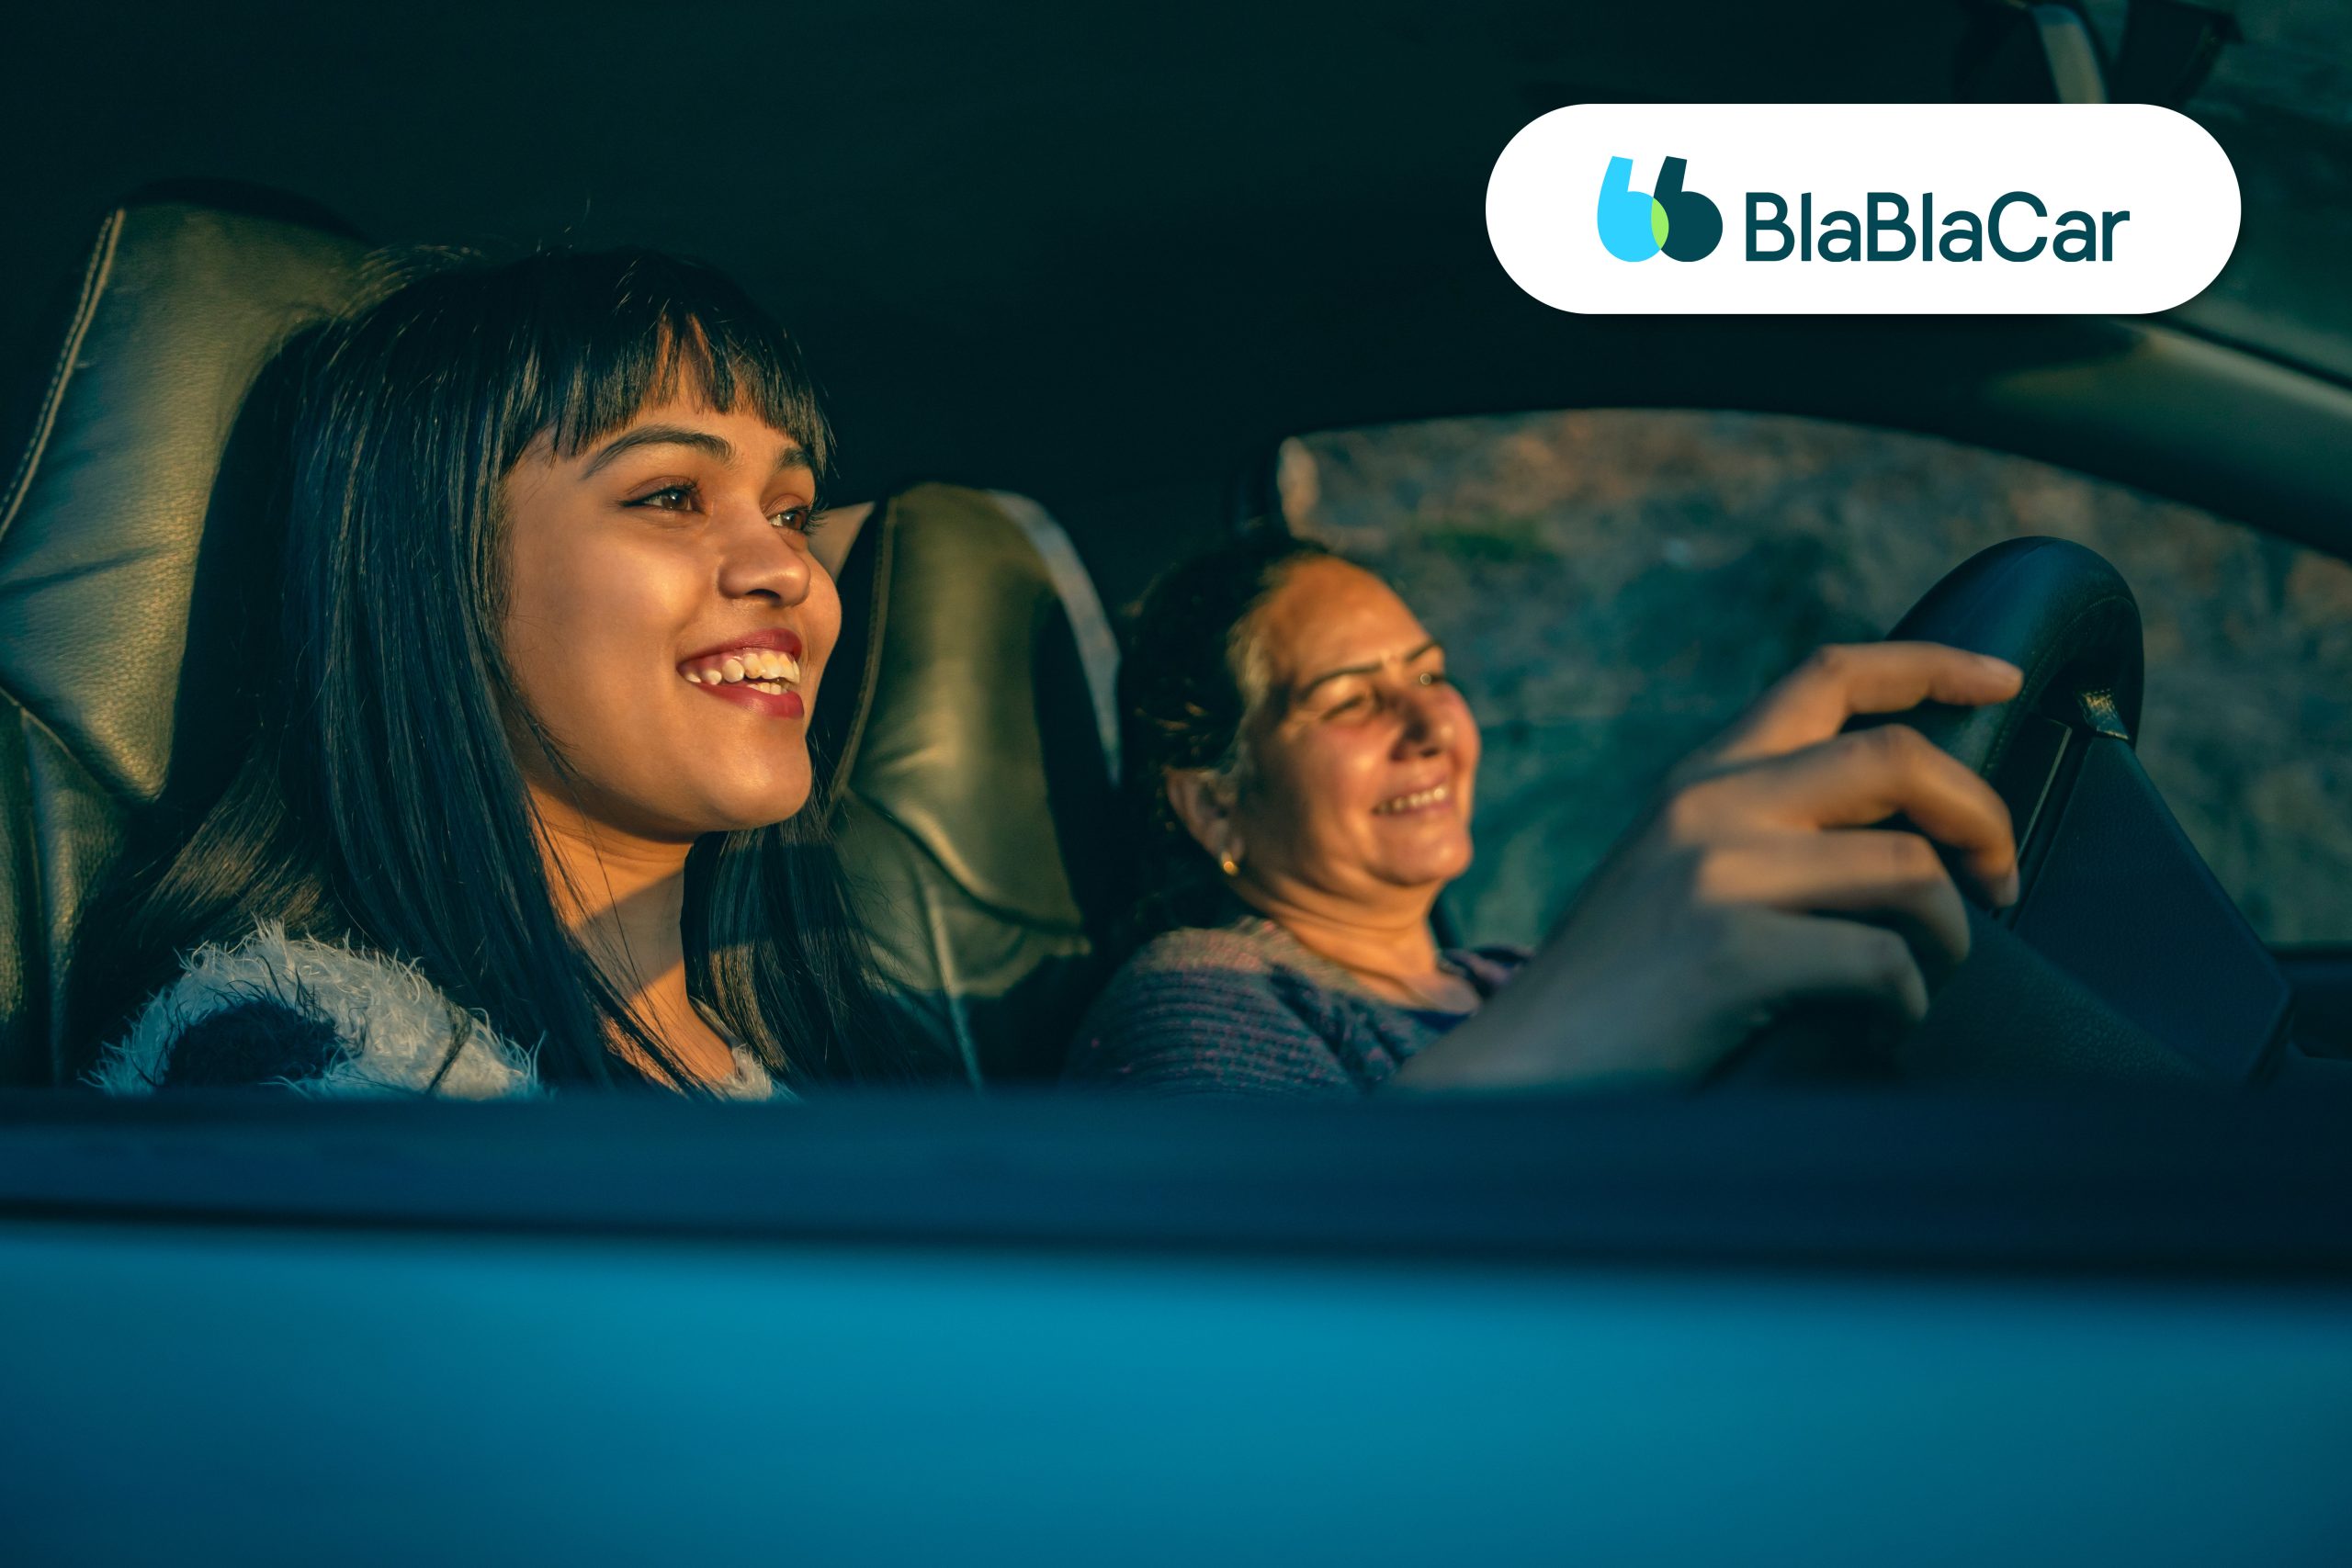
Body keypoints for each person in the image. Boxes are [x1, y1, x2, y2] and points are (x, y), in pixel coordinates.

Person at [74, 249, 907, 1097]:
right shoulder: (309, 1065)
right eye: (670, 496)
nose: (791, 569)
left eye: (791, 512)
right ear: (437, 577)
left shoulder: (841, 1077)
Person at [1064, 534, 2022, 1096]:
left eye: (1432, 676)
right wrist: (1573, 1025)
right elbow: (1257, 1336)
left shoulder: (1502, 976)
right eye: (1352, 699)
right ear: (1215, 803)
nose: (1430, 723)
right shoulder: (1204, 993)